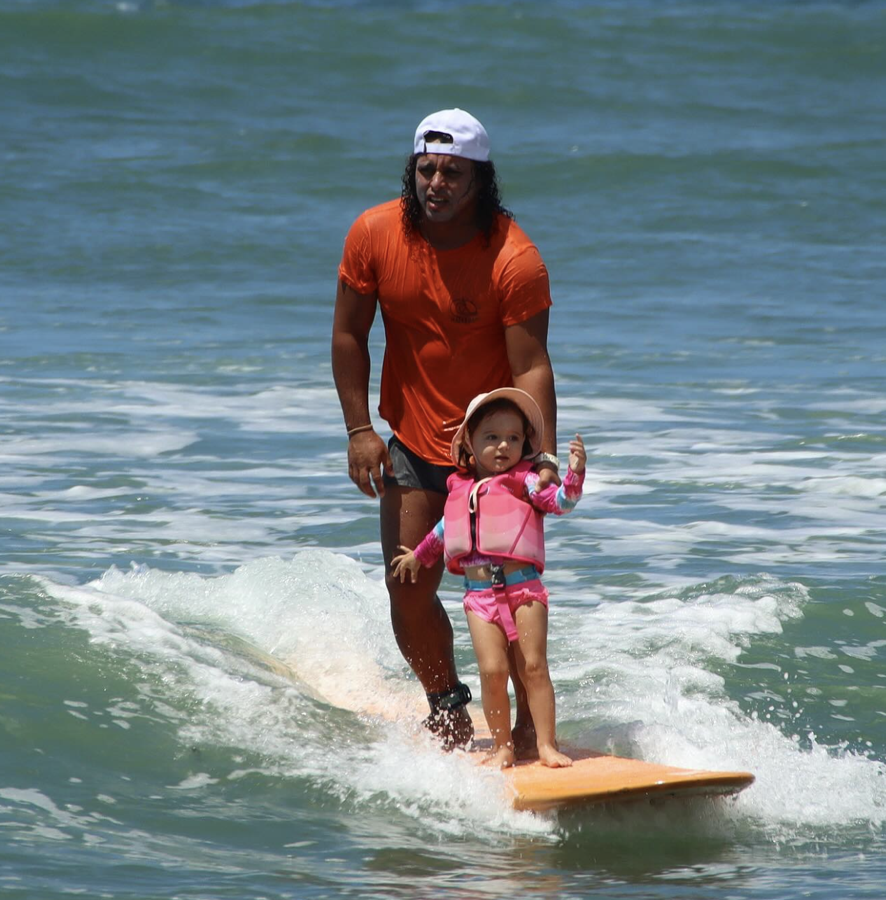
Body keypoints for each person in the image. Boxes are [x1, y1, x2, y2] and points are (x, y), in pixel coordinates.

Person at [331, 108, 560, 750]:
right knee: (407, 587)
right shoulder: (374, 234)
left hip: (492, 459)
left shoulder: (514, 259)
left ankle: (524, 728)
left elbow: (533, 365)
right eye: (427, 169)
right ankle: (446, 707)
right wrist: (359, 430)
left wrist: (535, 458)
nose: (437, 183)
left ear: (479, 179)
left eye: (453, 173)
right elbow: (349, 334)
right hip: (410, 443)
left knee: (510, 601)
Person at [390, 389, 585, 768]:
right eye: (492, 438)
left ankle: (545, 744)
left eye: (513, 438)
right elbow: (444, 532)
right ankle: (503, 748)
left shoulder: (525, 481)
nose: (503, 446)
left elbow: (559, 503)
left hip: (524, 588)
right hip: (478, 596)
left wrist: (575, 475)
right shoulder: (459, 490)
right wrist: (417, 557)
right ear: (468, 443)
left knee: (533, 666)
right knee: (493, 671)